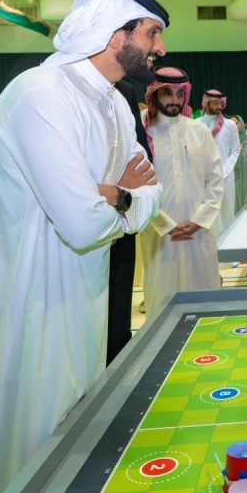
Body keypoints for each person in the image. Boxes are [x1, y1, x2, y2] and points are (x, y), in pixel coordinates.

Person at [0, 0, 165, 493]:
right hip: (31, 303)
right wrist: (122, 197)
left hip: (89, 298)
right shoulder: (39, 93)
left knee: (77, 447)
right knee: (31, 452)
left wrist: (113, 197)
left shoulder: (116, 105)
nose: (159, 48)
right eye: (151, 33)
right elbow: (80, 223)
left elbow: (151, 191)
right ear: (115, 32)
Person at [140, 68, 224, 317]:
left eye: (179, 94)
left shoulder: (199, 131)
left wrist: (198, 221)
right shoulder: (143, 133)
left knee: (204, 300)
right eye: (167, 93)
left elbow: (215, 180)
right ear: (154, 94)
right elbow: (138, 186)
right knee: (162, 304)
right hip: (159, 234)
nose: (174, 100)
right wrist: (164, 223)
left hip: (199, 231)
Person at [107, 78, 150, 365]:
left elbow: (141, 156)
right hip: (76, 218)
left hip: (122, 214)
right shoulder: (60, 88)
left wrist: (125, 195)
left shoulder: (124, 91)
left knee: (119, 300)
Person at [198, 89, 240, 236]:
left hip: (225, 178)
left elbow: (235, 151)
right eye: (215, 103)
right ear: (206, 103)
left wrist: (224, 171)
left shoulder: (230, 125)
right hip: (203, 179)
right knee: (208, 217)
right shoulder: (196, 124)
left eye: (220, 103)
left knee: (226, 213)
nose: (219, 106)